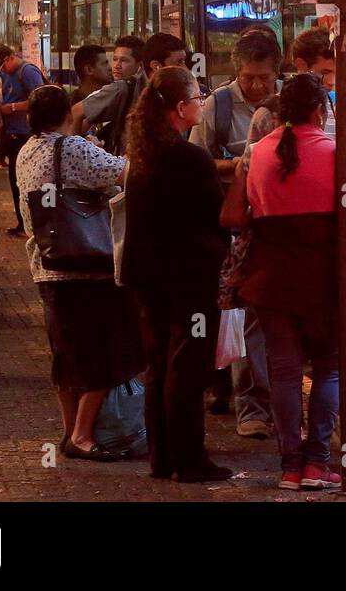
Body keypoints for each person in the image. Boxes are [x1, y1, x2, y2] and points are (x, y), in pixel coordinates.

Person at [220, 73, 342, 489]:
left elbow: (232, 218)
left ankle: (290, 465)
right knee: (328, 369)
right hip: (323, 278)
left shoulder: (255, 154)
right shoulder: (336, 152)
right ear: (318, 111)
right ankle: (317, 463)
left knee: (285, 372)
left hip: (270, 278)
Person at [120, 65, 232, 483]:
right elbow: (213, 217)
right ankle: (189, 459)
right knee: (188, 368)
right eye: (197, 98)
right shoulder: (189, 157)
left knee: (159, 365)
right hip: (188, 279)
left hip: (148, 277)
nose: (201, 104)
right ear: (181, 107)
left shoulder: (144, 153)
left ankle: (162, 457)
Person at [18, 85, 142, 462]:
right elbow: (127, 172)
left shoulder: (25, 152)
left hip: (46, 266)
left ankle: (71, 431)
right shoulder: (71, 148)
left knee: (66, 356)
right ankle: (84, 436)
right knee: (106, 354)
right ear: (67, 115)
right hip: (86, 269)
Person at [190, 29, 282, 439]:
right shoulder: (219, 105)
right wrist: (241, 166)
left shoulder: (288, 103)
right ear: (236, 73)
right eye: (249, 78)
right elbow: (197, 162)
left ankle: (269, 401)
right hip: (234, 226)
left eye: (264, 78)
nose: (257, 86)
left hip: (278, 225)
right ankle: (250, 406)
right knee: (244, 319)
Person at [78, 33, 183, 155]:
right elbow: (79, 115)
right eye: (115, 59)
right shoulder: (119, 89)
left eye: (124, 60)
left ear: (139, 65)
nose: (117, 66)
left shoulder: (149, 89)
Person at [0, 44, 46, 239]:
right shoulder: (6, 74)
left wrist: (13, 107)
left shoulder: (28, 72)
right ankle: (22, 223)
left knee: (25, 182)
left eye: (2, 65)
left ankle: (30, 226)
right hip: (12, 133)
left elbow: (40, 99)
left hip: (27, 135)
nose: (2, 70)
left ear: (9, 58)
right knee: (15, 182)